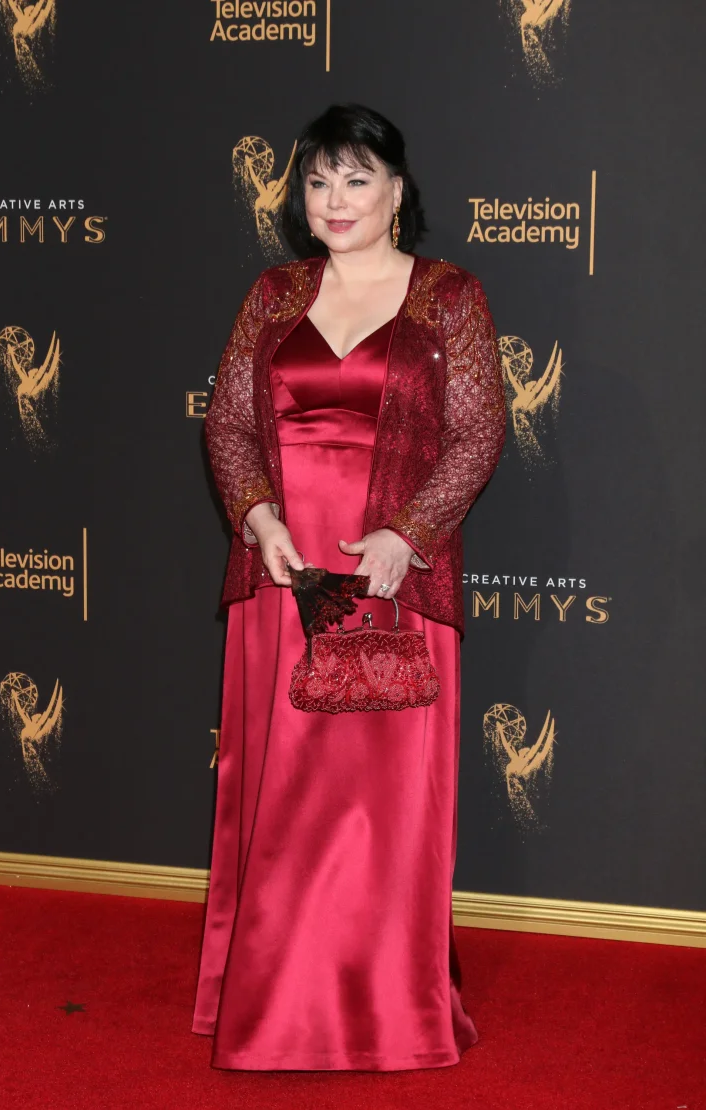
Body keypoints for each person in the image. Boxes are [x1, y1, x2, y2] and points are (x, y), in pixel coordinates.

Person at [192, 103, 506, 1071]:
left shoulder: (449, 296)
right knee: (285, 795)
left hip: (394, 581)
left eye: (356, 178)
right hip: (284, 576)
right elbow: (227, 426)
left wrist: (403, 538)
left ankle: (386, 1007)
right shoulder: (272, 293)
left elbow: (477, 433)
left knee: (381, 804)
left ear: (397, 192)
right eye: (318, 181)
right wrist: (258, 519)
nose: (334, 199)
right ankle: (273, 1005)